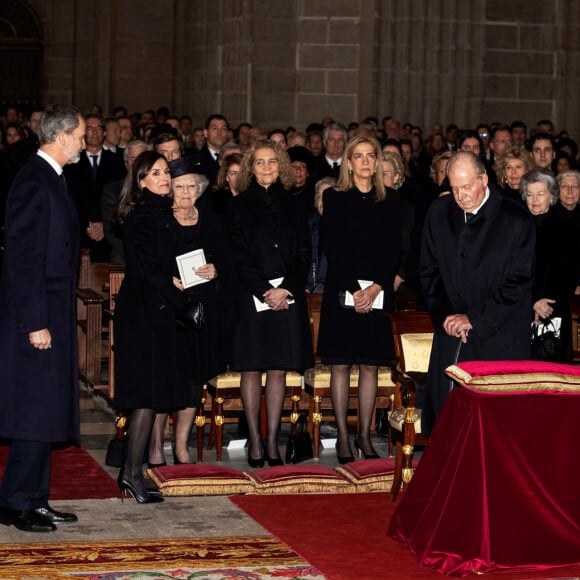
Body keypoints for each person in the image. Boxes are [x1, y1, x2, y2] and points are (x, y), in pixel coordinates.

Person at [0, 104, 85, 532]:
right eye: (82, 136)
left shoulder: (52, 177)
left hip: (52, 311)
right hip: (36, 317)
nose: (86, 143)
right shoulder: (34, 180)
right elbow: (24, 259)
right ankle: (16, 502)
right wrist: (35, 322)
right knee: (33, 409)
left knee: (46, 407)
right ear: (62, 136)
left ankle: (35, 497)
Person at [420, 151, 536, 436]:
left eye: (467, 186)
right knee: (449, 422)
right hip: (451, 335)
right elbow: (428, 270)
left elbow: (518, 283)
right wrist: (447, 315)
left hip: (499, 336)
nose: (461, 195)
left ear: (484, 179)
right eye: (455, 187)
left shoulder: (515, 219)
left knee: (494, 427)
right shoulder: (439, 212)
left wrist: (475, 319)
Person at [228, 139, 313, 468]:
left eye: (273, 162)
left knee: (277, 368)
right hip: (253, 297)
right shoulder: (238, 205)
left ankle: (272, 441)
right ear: (251, 167)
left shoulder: (294, 203)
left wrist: (286, 289)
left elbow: (304, 253)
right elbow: (238, 255)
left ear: (282, 166)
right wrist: (264, 290)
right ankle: (254, 441)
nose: (266, 168)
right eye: (260, 162)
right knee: (251, 368)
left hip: (286, 297)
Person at [317, 136, 401, 463]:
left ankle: (364, 435)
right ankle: (341, 435)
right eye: (358, 156)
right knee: (340, 365)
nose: (365, 162)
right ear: (348, 163)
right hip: (343, 290)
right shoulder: (335, 198)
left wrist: (376, 287)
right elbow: (333, 248)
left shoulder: (390, 199)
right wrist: (356, 289)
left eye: (371, 156)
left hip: (378, 291)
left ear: (378, 162)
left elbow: (394, 249)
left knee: (369, 365)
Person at [112, 151, 188, 503]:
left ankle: (131, 473)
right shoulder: (142, 215)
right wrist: (175, 289)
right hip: (143, 311)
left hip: (154, 309)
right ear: (140, 179)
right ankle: (131, 474)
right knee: (144, 396)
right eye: (155, 173)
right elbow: (144, 267)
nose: (164, 178)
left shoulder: (160, 212)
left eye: (165, 172)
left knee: (152, 395)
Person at [147, 157, 232, 466]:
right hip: (167, 309)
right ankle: (156, 446)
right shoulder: (159, 220)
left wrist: (216, 269)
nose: (185, 192)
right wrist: (167, 279)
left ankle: (181, 446)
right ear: (170, 189)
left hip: (200, 312)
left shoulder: (211, 221)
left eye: (191, 187)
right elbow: (149, 263)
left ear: (200, 190)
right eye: (179, 186)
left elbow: (227, 259)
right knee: (165, 380)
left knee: (193, 382)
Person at [520, 169, 578, 362]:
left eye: (540, 194)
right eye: (530, 194)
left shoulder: (566, 229)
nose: (535, 199)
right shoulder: (517, 228)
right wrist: (532, 302)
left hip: (555, 312)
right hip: (521, 310)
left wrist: (543, 304)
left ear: (551, 196)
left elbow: (568, 276)